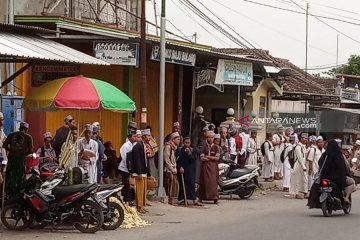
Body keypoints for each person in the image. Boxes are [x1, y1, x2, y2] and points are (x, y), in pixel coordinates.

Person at [307, 139, 347, 208]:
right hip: (336, 178)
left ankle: (313, 203)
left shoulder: (325, 155)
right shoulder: (338, 155)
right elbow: (342, 168)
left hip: (325, 176)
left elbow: (320, 164)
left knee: (315, 186)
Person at [3, 122, 33, 197]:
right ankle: (18, 194)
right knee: (20, 176)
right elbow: (31, 150)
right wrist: (24, 154)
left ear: (20, 128)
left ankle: (9, 193)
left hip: (12, 158)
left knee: (10, 175)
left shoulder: (11, 135)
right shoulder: (28, 137)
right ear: (26, 129)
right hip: (21, 160)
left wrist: (11, 150)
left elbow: (4, 145)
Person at [176, 137, 202, 206]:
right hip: (182, 170)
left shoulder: (193, 150)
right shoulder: (179, 150)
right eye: (186, 143)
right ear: (183, 143)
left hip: (190, 170)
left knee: (191, 184)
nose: (187, 144)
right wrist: (179, 167)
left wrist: (189, 153)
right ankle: (182, 199)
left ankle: (194, 199)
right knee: (182, 184)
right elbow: (177, 160)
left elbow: (193, 159)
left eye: (188, 143)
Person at [130, 129, 151, 213]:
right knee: (139, 189)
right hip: (139, 171)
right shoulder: (138, 146)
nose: (149, 137)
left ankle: (142, 205)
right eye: (148, 136)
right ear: (144, 137)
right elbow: (137, 160)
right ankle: (139, 206)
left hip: (143, 171)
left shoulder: (144, 145)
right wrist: (139, 172)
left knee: (143, 189)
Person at [199, 130, 220, 204]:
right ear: (206, 138)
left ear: (213, 138)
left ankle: (214, 197)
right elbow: (202, 158)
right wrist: (211, 158)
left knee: (213, 182)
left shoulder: (216, 147)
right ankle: (202, 197)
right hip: (205, 167)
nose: (210, 139)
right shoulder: (203, 147)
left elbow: (217, 158)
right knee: (203, 182)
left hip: (213, 168)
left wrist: (207, 156)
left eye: (211, 137)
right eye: (208, 137)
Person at [119, 130, 137, 203]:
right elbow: (125, 158)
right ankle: (125, 199)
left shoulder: (133, 145)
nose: (135, 138)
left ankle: (129, 199)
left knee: (130, 184)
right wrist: (129, 168)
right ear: (129, 137)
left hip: (130, 168)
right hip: (124, 168)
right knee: (126, 184)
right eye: (134, 136)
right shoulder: (125, 146)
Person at [290, 133, 308, 199]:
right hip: (298, 165)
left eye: (306, 138)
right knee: (297, 179)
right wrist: (303, 166)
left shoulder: (303, 146)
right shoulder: (298, 147)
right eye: (304, 138)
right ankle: (297, 193)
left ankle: (305, 192)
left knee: (304, 179)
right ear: (301, 138)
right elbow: (299, 157)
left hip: (303, 165)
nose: (306, 140)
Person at [164, 132, 181, 205]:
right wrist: (171, 168)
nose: (179, 141)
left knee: (175, 185)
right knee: (171, 184)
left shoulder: (174, 147)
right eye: (177, 139)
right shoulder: (168, 147)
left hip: (174, 169)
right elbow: (167, 159)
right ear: (173, 139)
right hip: (169, 170)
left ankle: (174, 200)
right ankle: (171, 200)